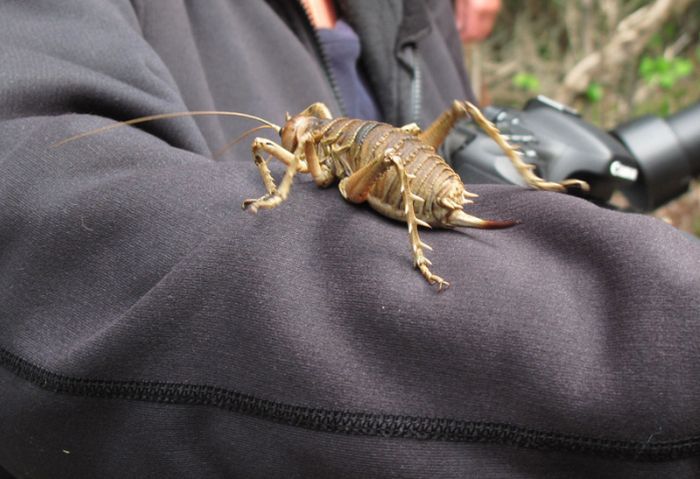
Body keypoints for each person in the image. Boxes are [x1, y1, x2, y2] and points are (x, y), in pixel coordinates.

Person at [1, 1, 699, 477]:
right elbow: (46, 196)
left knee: (447, 120)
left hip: (410, 173)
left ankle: (483, 215)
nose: (283, 147)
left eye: (291, 142)